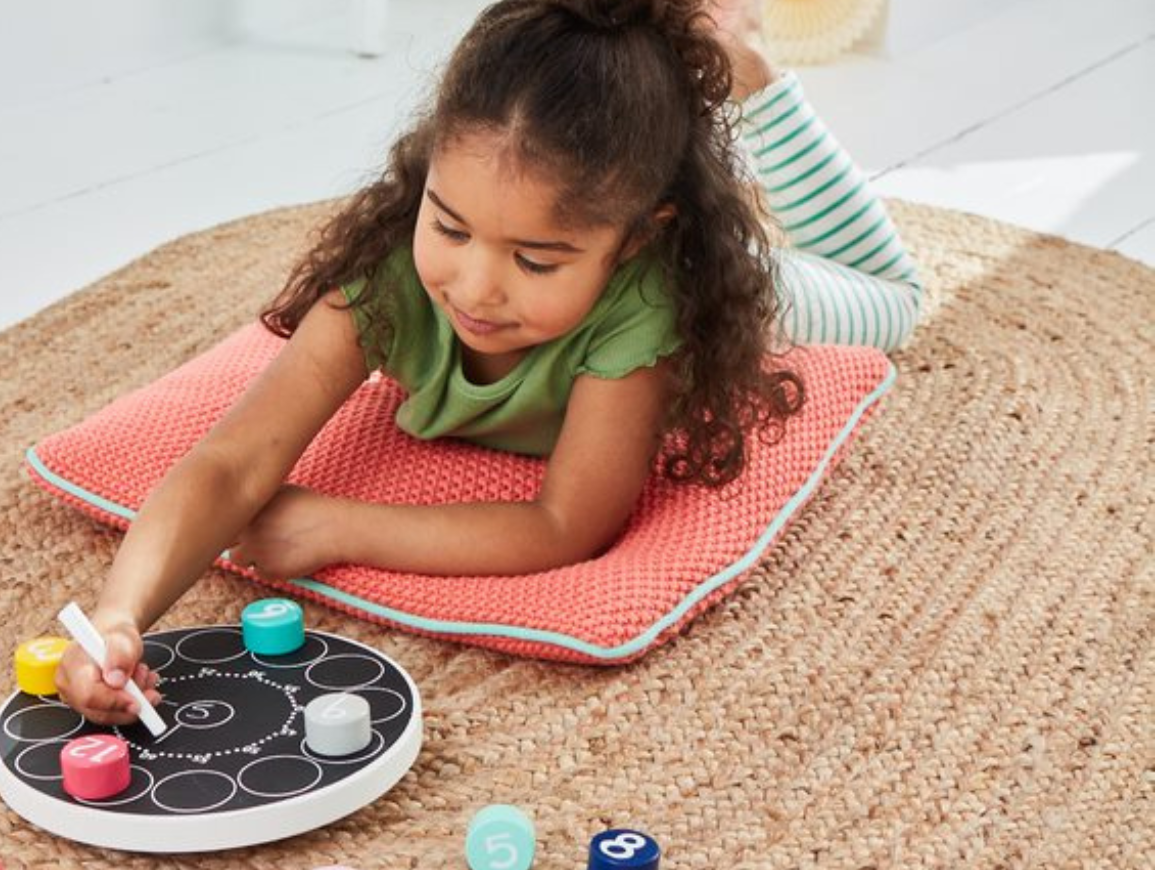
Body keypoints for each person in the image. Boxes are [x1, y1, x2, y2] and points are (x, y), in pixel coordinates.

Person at [56, 0, 923, 724]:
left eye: (535, 261)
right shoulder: (395, 270)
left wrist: (337, 524)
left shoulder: (654, 299)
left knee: (892, 300)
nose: (474, 288)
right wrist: (119, 619)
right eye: (450, 225)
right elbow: (233, 460)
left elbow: (566, 525)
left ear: (630, 243)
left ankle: (757, 79)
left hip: (752, 294)